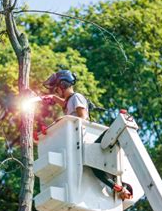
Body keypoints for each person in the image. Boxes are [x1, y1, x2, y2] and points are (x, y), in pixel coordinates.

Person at [41, 70, 133, 201]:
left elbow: (83, 117)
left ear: (63, 85)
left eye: (56, 89)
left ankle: (120, 188)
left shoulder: (76, 97)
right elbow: (65, 104)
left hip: (85, 139)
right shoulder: (69, 102)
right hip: (78, 141)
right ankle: (120, 188)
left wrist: (62, 120)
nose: (56, 92)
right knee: (96, 169)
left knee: (96, 169)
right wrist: (54, 99)